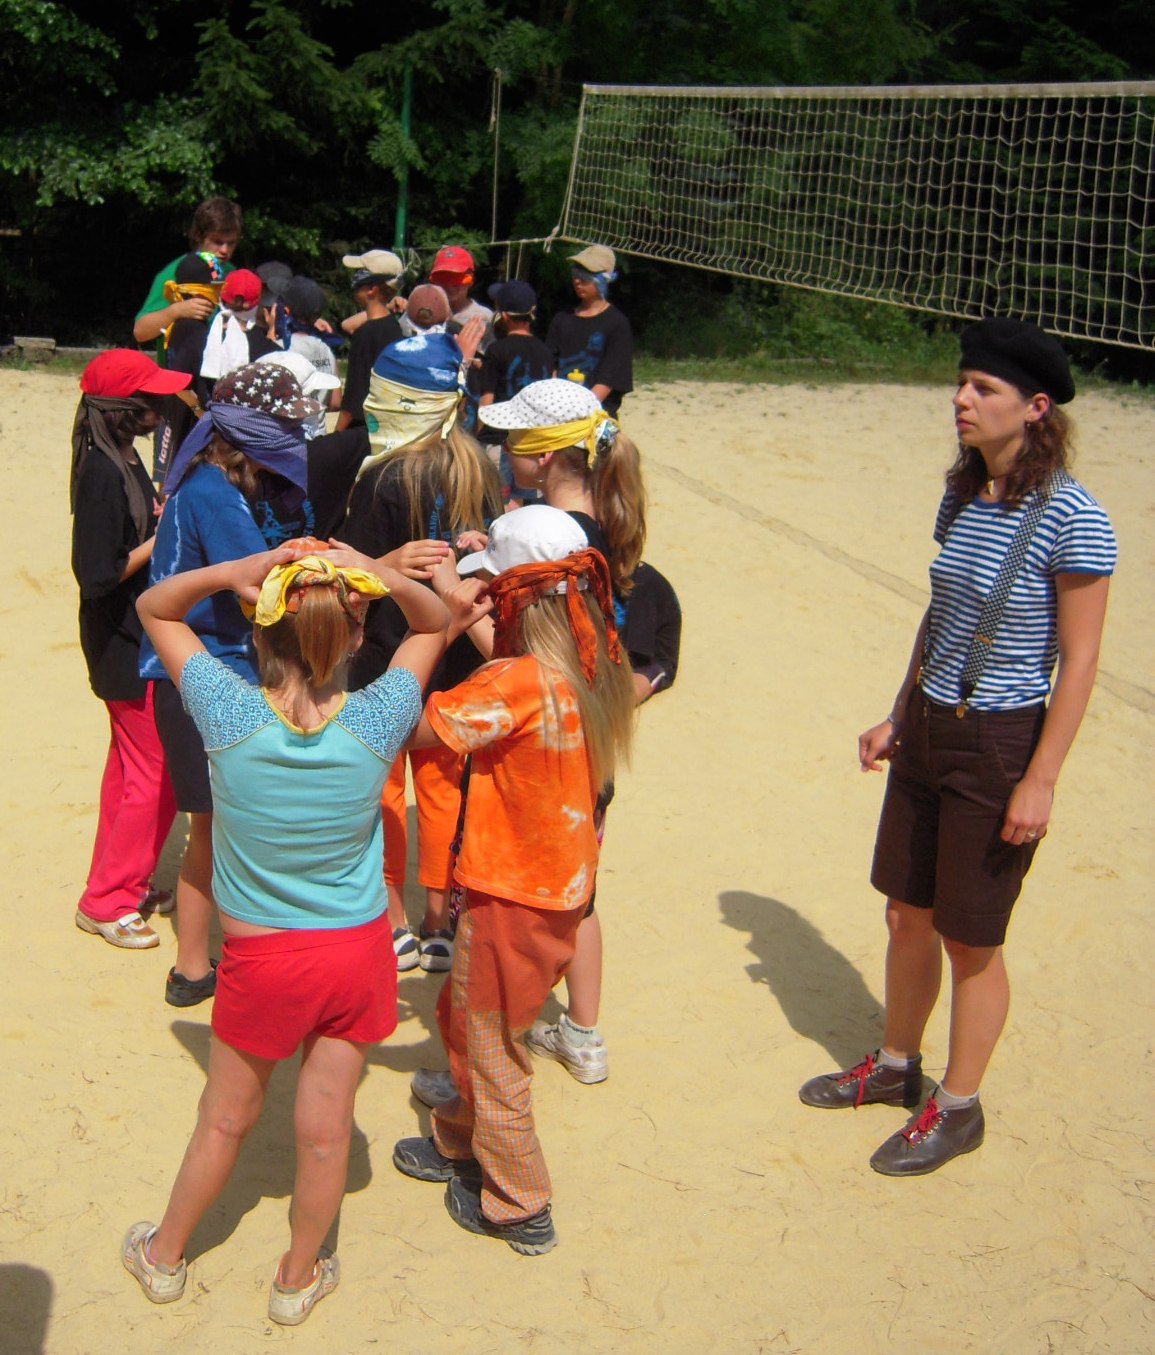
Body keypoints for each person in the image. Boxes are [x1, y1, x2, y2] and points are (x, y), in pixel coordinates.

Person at [124, 543, 480, 1324]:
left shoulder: (227, 713)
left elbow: (155, 605)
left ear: (258, 633)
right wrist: (371, 566)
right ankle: (295, 1278)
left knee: (224, 1118)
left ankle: (164, 1255)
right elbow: (433, 623)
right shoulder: (379, 719)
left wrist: (230, 572)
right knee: (324, 1134)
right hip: (355, 952)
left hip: (262, 958)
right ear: (354, 637)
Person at [798, 318, 1116, 1176]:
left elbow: (1081, 660)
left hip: (999, 743)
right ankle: (896, 1065)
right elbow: (941, 614)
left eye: (983, 388)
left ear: (1035, 407)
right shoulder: (965, 493)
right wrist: (899, 712)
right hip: (930, 728)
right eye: (962, 382)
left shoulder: (1075, 517)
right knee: (905, 912)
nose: (960, 398)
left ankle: (959, 1105)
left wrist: (1039, 779)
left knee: (971, 940)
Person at [390, 507, 636, 1254]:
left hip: (508, 897)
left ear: (516, 597)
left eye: (492, 590)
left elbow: (402, 726)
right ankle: (458, 1139)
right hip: (555, 896)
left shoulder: (512, 682)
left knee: (492, 1049)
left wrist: (437, 625)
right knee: (468, 1018)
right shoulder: (591, 660)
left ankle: (520, 1202)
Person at [140, 363, 322, 1006]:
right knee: (225, 833)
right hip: (207, 678)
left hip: (187, 677)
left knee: (212, 829)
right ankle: (211, 965)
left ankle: (195, 964)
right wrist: (371, 570)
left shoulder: (198, 481)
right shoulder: (216, 496)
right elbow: (264, 589)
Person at [341, 330, 501, 973]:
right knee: (442, 792)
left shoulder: (385, 475)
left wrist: (384, 563)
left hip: (387, 657)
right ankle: (438, 921)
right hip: (457, 658)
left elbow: (352, 571)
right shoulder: (478, 468)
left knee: (381, 793)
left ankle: (392, 920)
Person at [70, 350, 190, 949]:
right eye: (151, 397)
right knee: (154, 770)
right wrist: (160, 538)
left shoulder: (123, 454)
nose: (161, 405)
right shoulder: (101, 471)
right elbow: (96, 573)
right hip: (121, 640)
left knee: (128, 769)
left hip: (131, 632)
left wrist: (156, 518)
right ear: (124, 408)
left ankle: (118, 882)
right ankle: (108, 900)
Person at [476, 279, 555, 505]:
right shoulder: (546, 352)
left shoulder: (496, 350)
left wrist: (480, 440)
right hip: (533, 441)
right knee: (526, 503)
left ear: (503, 316)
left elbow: (487, 399)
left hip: (499, 439)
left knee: (499, 504)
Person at [133, 197, 242, 354]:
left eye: (231, 243)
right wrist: (177, 311)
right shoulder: (175, 272)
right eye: (217, 242)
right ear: (198, 236)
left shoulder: (233, 273)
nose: (225, 250)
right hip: (179, 365)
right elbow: (140, 332)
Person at [545, 245, 633, 417]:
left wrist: (579, 412)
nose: (578, 281)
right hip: (558, 411)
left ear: (605, 278)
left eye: (585, 275)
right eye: (575, 273)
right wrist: (556, 406)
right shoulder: (562, 319)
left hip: (598, 414)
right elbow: (550, 366)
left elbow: (608, 379)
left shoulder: (617, 324)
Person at [335, 250, 406, 431]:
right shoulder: (394, 327)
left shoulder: (365, 334)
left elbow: (352, 400)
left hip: (362, 428)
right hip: (386, 425)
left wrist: (335, 437)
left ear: (372, 288)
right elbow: (347, 325)